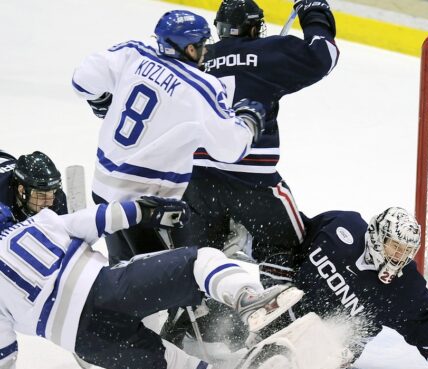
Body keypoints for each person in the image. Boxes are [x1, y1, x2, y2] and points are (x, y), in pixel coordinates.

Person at [0, 200, 303, 369]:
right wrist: (148, 210)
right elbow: (102, 217)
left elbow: (4, 350)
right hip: (112, 290)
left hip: (86, 341)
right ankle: (246, 298)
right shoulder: (34, 225)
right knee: (200, 261)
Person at [72, 9, 266, 263]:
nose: (206, 50)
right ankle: (183, 302)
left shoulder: (133, 52)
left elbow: (82, 79)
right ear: (189, 49)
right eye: (202, 44)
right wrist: (249, 121)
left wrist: (101, 99)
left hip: (104, 191)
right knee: (169, 280)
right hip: (148, 207)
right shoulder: (201, 88)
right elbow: (230, 149)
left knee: (124, 272)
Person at [172, 0, 338, 286]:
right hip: (252, 183)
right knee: (286, 244)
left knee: (201, 256)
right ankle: (275, 316)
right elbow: (324, 55)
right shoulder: (268, 52)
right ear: (253, 26)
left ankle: (194, 317)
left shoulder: (197, 58)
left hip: (196, 181)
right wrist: (313, 10)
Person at [186, 207, 428, 369]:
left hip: (326, 349)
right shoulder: (341, 227)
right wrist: (275, 285)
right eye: (395, 246)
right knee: (208, 321)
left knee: (285, 365)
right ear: (377, 235)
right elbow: (291, 239)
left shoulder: (406, 288)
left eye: (407, 251)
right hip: (278, 312)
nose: (399, 257)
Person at [0, 149, 67, 221]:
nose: (50, 203)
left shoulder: (58, 199)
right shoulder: (2, 199)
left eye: (53, 193)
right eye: (41, 195)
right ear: (22, 190)